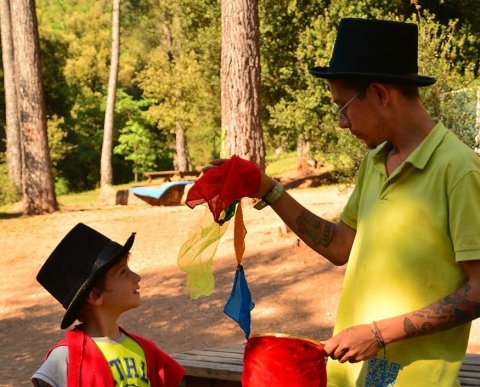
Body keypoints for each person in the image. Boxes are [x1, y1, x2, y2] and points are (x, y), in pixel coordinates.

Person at [212, 18, 480, 386]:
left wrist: (379, 334)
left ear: (380, 94)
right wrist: (267, 188)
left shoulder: (460, 170)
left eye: (343, 107)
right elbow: (340, 246)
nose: (341, 122)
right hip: (350, 377)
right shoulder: (374, 162)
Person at [31, 223, 185, 387]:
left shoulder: (145, 351)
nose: (137, 277)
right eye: (123, 272)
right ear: (95, 295)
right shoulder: (64, 359)